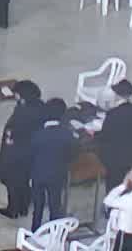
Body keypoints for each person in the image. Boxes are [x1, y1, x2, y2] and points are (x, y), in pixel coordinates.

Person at [0, 80, 43, 219]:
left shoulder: (24, 110)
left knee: (12, 181)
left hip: (16, 152)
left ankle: (13, 209)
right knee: (23, 180)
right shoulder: (38, 106)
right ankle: (23, 207)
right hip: (30, 153)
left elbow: (18, 129)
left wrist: (10, 139)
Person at [28, 98, 73, 229]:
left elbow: (31, 155)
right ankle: (54, 232)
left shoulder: (37, 134)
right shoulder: (66, 134)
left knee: (38, 207)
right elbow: (72, 152)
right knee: (55, 206)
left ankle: (35, 231)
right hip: (57, 175)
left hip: (38, 175)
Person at [94, 79, 132, 187]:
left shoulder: (113, 114)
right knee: (127, 183)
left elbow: (105, 135)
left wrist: (94, 134)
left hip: (114, 157)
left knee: (113, 185)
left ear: (117, 95)